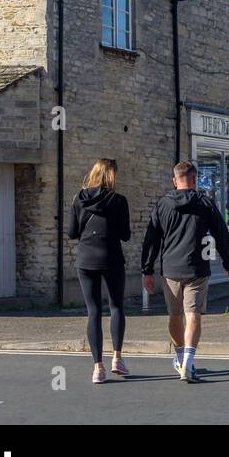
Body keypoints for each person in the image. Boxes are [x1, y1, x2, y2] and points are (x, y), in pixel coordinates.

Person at [140, 161, 229, 383]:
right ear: (194, 180)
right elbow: (221, 234)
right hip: (197, 268)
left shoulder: (162, 205)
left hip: (170, 269)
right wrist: (228, 264)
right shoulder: (205, 203)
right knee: (193, 315)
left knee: (174, 315)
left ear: (175, 180)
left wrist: (147, 270)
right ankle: (189, 363)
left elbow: (151, 238)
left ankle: (179, 357)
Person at [69, 158, 132, 384]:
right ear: (111, 175)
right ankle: (117, 358)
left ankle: (98, 368)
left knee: (93, 312)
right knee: (116, 307)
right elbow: (126, 234)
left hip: (85, 260)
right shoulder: (118, 200)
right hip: (111, 258)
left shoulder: (78, 198)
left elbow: (71, 233)